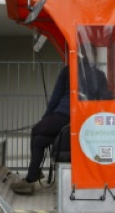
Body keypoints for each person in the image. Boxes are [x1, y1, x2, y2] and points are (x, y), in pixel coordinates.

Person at [12, 58, 109, 195]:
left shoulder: (68, 71)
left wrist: (46, 118)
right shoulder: (99, 75)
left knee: (36, 131)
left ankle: (32, 176)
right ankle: (33, 174)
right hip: (84, 122)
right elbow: (105, 100)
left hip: (64, 115)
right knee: (39, 140)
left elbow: (55, 97)